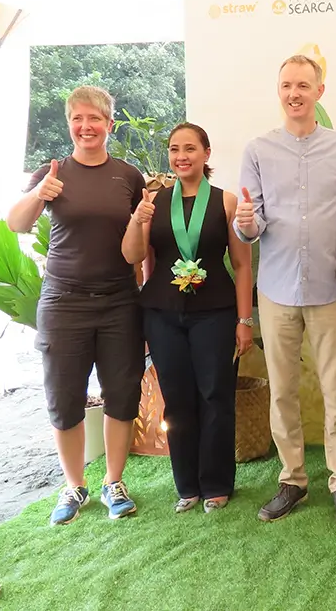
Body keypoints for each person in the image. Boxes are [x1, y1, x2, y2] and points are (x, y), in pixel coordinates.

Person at [234, 54, 336, 525]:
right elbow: (250, 225)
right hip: (276, 289)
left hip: (332, 288)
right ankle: (291, 479)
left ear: (319, 92)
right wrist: (247, 224)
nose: (295, 93)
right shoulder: (256, 150)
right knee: (283, 392)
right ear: (279, 91)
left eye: (304, 85)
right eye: (287, 85)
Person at [6, 85, 146, 524]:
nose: (86, 127)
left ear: (109, 123)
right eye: (78, 119)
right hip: (63, 302)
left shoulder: (128, 175)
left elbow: (138, 244)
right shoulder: (54, 173)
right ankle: (74, 486)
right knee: (65, 398)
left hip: (120, 301)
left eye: (95, 119)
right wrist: (39, 193)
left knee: (122, 393)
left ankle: (113, 482)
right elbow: (17, 223)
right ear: (69, 123)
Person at [122, 122, 254, 514]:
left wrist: (244, 321)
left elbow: (242, 265)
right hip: (162, 315)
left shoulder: (226, 202)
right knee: (176, 399)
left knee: (215, 396)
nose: (182, 156)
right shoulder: (153, 201)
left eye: (190, 149)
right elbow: (135, 258)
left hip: (215, 313)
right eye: (175, 149)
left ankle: (216, 483)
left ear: (206, 154)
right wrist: (137, 219)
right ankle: (187, 485)